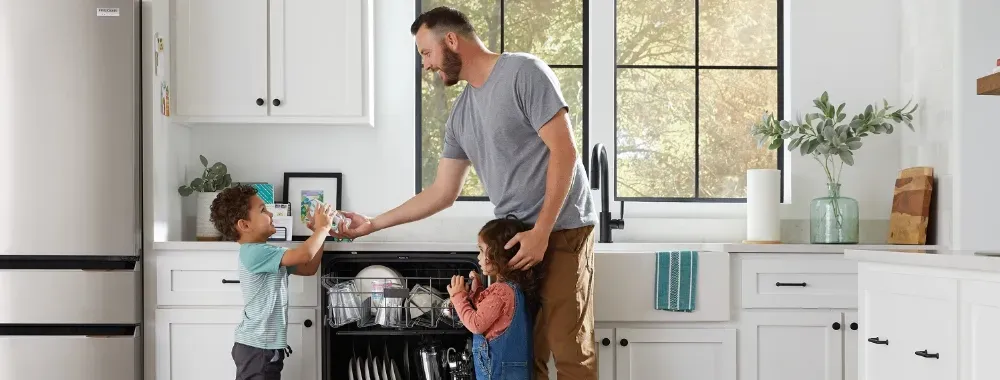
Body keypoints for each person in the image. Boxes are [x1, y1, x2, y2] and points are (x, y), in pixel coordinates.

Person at [331, 6, 598, 379]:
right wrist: (373, 224)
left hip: (562, 230)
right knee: (522, 352)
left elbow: (565, 151)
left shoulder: (523, 73)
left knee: (569, 351)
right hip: (512, 241)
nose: (425, 65)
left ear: (452, 40)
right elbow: (442, 191)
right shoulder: (461, 116)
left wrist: (541, 232)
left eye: (426, 52)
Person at [210, 184, 334, 380]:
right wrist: (323, 228)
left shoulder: (270, 254)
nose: (271, 213)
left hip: (264, 348)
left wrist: (320, 234)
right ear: (245, 225)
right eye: (263, 210)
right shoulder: (255, 252)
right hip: (257, 348)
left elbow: (309, 267)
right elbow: (304, 254)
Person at [447, 216, 546, 380]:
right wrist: (477, 290)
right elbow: (493, 316)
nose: (478, 256)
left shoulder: (500, 292)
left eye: (481, 250)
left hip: (497, 374)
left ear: (498, 255)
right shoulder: (512, 288)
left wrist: (459, 297)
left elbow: (476, 324)